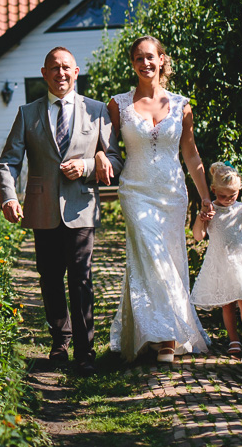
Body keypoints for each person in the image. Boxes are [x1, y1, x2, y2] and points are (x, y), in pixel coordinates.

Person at [0, 46, 122, 374]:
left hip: (81, 207)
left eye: (66, 67)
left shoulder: (96, 111)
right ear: (44, 73)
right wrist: (9, 197)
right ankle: (60, 341)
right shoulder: (27, 113)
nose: (60, 73)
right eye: (54, 68)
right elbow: (9, 160)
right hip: (41, 210)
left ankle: (85, 352)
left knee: (81, 279)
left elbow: (116, 161)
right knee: (50, 278)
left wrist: (85, 166)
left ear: (76, 72)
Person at [103, 35, 213, 363]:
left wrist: (205, 197)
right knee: (149, 256)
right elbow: (109, 149)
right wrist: (99, 158)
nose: (145, 63)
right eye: (138, 58)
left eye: (151, 57)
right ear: (132, 64)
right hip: (135, 191)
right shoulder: (117, 104)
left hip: (172, 194)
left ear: (162, 60)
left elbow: (191, 154)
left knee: (170, 260)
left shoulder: (181, 105)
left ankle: (147, 332)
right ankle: (165, 336)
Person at [190, 162, 242, 356]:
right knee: (227, 303)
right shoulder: (211, 211)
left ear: (239, 190)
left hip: (241, 261)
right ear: (213, 190)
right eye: (221, 195)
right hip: (220, 263)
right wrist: (202, 217)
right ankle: (233, 339)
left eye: (232, 195)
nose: (226, 200)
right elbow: (198, 236)